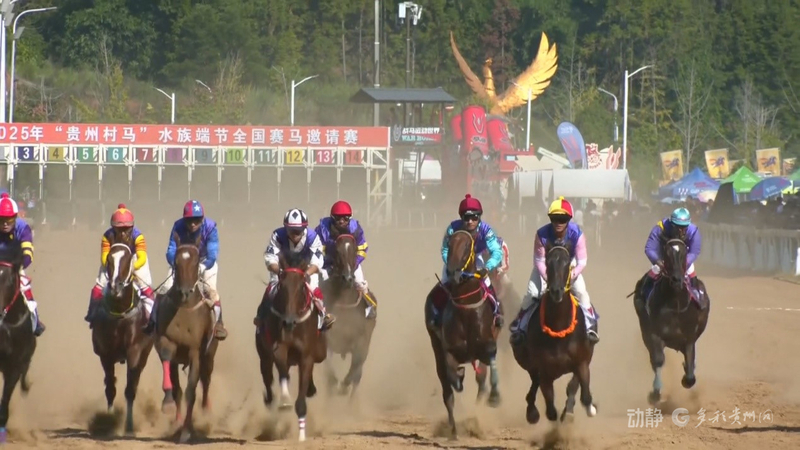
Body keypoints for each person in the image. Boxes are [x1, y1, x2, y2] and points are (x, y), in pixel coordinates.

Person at [509, 196, 599, 345]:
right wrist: (548, 277)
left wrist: (571, 275)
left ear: (569, 219)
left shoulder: (577, 234)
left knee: (582, 293)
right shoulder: (541, 234)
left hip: (569, 265)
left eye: (562, 219)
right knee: (532, 294)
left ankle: (590, 328)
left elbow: (582, 261)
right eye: (554, 219)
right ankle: (520, 326)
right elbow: (539, 260)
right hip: (546, 265)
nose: (558, 223)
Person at [145, 200, 227, 340]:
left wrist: (202, 266)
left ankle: (219, 324)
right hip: (182, 263)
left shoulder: (211, 227)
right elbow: (171, 250)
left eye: (196, 220)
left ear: (202, 219)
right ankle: (152, 322)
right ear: (184, 220)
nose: (193, 224)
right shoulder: (178, 226)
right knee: (164, 289)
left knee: (211, 291)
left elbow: (213, 254)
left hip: (205, 262)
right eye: (189, 220)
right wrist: (176, 264)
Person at [429, 194, 504, 328]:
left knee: (487, 283)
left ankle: (496, 312)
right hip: (455, 260)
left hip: (476, 258)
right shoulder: (452, 229)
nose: (470, 221)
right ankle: (437, 314)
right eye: (466, 217)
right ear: (461, 217)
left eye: (474, 217)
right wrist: (451, 265)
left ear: (479, 217)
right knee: (445, 283)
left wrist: (487, 268)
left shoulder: (486, 230)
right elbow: (445, 249)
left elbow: (497, 252)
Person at [259, 208, 335, 330]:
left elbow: (317, 262)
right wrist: (279, 271)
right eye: (291, 230)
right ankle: (261, 315)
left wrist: (307, 274)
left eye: (298, 231)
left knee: (314, 288)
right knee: (272, 288)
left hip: (306, 269)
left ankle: (323, 315)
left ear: (304, 228)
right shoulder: (277, 235)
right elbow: (270, 258)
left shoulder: (312, 237)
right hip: (282, 269)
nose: (295, 234)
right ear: (285, 228)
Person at [84, 204, 155, 326]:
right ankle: (92, 313)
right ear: (113, 227)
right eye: (119, 229)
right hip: (112, 261)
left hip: (134, 260)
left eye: (126, 229)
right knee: (98, 288)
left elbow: (142, 257)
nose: (122, 233)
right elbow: (104, 258)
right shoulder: (107, 236)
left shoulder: (138, 236)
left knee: (147, 290)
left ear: (132, 227)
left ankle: (151, 319)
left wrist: (130, 268)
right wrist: (113, 267)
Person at [315, 200, 376, 318]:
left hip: (350, 262)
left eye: (345, 218)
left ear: (350, 218)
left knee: (360, 282)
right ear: (332, 218)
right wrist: (329, 263)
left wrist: (354, 263)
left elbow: (362, 248)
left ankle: (369, 306)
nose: (342, 221)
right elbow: (317, 250)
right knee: (319, 282)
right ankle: (319, 309)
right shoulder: (322, 229)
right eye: (338, 218)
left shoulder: (356, 229)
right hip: (328, 264)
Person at [0, 193, 44, 336]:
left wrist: (18, 266)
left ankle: (36, 322)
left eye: (9, 219)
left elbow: (28, 254)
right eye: (1, 220)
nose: (5, 223)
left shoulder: (23, 228)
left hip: (14, 265)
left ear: (15, 217)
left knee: (25, 289)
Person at [639, 207, 702, 301]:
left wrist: (684, 263)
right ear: (671, 223)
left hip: (683, 259)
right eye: (678, 226)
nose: (681, 230)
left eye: (684, 227)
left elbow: (694, 251)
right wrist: (658, 262)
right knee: (655, 270)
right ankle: (644, 296)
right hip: (663, 258)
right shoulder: (660, 228)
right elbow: (650, 248)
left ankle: (699, 299)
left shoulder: (693, 231)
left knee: (691, 271)